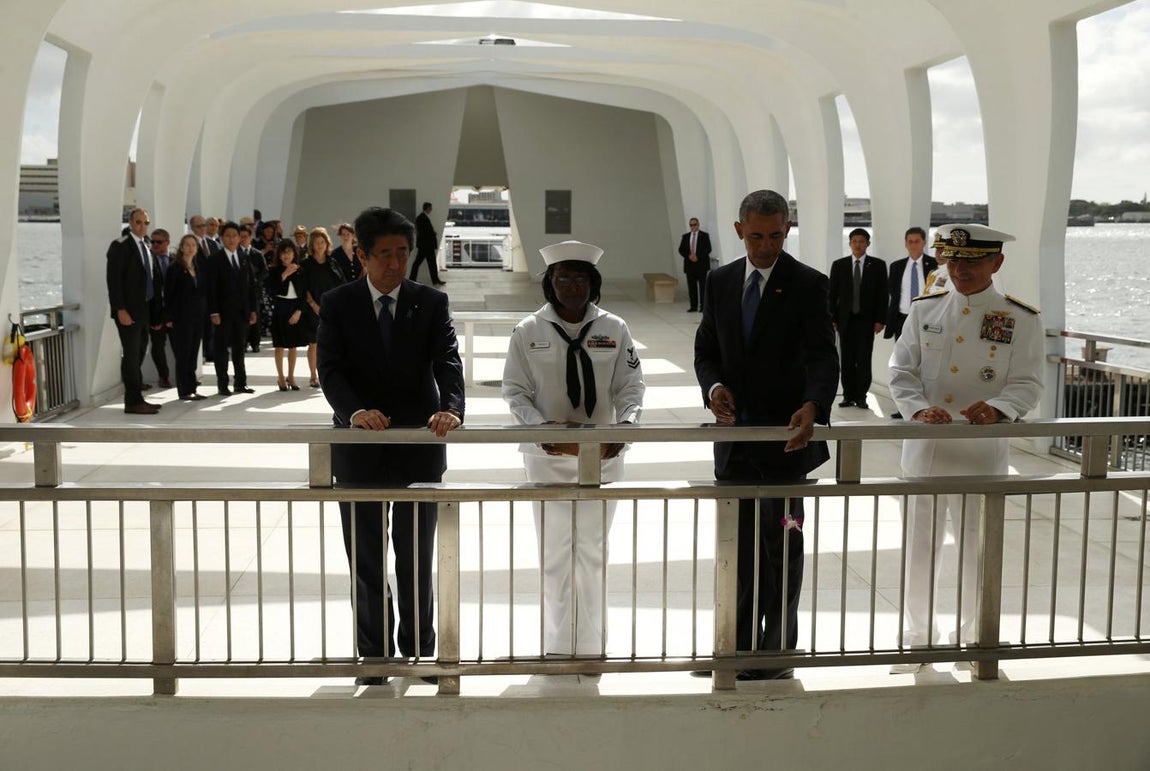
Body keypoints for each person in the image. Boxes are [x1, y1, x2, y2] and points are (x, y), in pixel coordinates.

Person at [693, 189, 838, 681]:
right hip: (734, 442)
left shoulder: (808, 284)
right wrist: (713, 388)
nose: (766, 245)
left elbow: (823, 356)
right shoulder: (719, 281)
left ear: (786, 229)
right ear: (739, 231)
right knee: (735, 548)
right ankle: (730, 650)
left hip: (787, 443)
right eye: (756, 236)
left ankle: (775, 655)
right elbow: (706, 350)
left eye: (775, 235)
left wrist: (815, 406)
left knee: (781, 550)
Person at [317, 206, 464, 686]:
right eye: (385, 254)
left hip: (417, 447)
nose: (396, 264)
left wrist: (452, 408)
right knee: (365, 558)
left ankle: (420, 651)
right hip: (360, 449)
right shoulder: (338, 303)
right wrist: (352, 412)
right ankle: (375, 656)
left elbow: (447, 360)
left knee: (416, 555)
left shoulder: (430, 302)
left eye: (403, 253)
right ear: (361, 255)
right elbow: (331, 369)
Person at [887, 224, 1043, 674]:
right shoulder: (925, 310)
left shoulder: (1020, 318)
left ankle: (976, 637)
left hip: (981, 452)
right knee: (919, 548)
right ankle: (917, 641)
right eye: (953, 262)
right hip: (927, 449)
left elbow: (1028, 382)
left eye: (971, 262)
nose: (961, 271)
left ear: (996, 263)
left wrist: (998, 408)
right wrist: (916, 410)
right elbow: (901, 370)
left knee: (980, 548)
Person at [502, 240, 645, 658]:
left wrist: (624, 430)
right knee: (554, 553)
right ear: (550, 282)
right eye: (563, 278)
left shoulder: (614, 329)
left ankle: (592, 644)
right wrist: (543, 431)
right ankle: (558, 645)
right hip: (546, 459)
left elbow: (631, 389)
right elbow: (515, 392)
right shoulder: (528, 330)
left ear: (593, 282)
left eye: (580, 278)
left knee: (593, 552)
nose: (571, 286)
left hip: (601, 457)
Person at [107, 208, 164, 414]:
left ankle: (136, 395)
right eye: (138, 222)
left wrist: (156, 314)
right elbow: (113, 281)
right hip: (128, 311)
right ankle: (132, 401)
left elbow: (154, 281)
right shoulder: (120, 246)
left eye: (146, 222)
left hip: (145, 309)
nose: (142, 226)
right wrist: (120, 309)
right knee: (131, 354)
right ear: (131, 222)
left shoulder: (147, 246)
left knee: (140, 351)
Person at [828, 228, 887, 408]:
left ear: (868, 244)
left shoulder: (877, 265)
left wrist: (880, 320)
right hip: (845, 321)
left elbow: (883, 295)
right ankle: (847, 395)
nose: (858, 245)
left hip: (867, 321)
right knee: (846, 359)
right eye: (854, 241)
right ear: (850, 243)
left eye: (861, 241)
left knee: (863, 359)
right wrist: (832, 318)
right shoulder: (839, 265)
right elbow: (832, 295)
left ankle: (861, 396)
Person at [884, 227, 938, 418]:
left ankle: (926, 405)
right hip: (902, 319)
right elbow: (892, 294)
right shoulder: (897, 266)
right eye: (910, 241)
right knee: (903, 363)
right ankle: (905, 406)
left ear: (924, 242)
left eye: (917, 241)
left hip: (928, 321)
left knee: (926, 362)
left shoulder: (934, 265)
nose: (913, 245)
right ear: (906, 244)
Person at [206, 221, 257, 396]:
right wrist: (213, 311)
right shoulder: (214, 260)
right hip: (222, 313)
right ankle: (222, 384)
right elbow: (211, 288)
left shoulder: (244, 257)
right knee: (221, 349)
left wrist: (253, 309)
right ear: (221, 238)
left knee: (239, 348)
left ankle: (240, 383)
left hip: (241, 312)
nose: (232, 239)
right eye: (227, 236)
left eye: (235, 236)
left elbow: (251, 285)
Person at [164, 234, 208, 401]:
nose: (190, 248)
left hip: (197, 317)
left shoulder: (197, 267)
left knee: (193, 353)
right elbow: (168, 294)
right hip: (181, 318)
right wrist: (168, 316)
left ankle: (192, 387)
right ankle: (184, 390)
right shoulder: (174, 268)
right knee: (183, 354)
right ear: (181, 247)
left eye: (193, 245)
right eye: (187, 245)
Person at [301, 227, 345, 388]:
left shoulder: (332, 263)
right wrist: (313, 304)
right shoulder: (306, 264)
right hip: (313, 309)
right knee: (314, 343)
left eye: (322, 242)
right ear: (311, 245)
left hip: (331, 309)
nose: (319, 246)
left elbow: (341, 285)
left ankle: (331, 375)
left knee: (333, 343)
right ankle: (313, 376)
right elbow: (303, 288)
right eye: (316, 243)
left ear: (327, 244)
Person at [264, 239, 307, 391]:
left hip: (295, 307)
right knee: (280, 345)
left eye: (289, 251)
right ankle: (281, 377)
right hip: (280, 307)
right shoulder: (274, 270)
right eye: (283, 252)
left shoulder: (301, 270)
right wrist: (285, 274)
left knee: (293, 345)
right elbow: (272, 290)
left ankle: (291, 376)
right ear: (279, 255)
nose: (286, 255)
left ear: (294, 253)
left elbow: (304, 294)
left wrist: (299, 311)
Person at [149, 228, 174, 389]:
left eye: (159, 242)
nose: (155, 245)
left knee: (181, 345)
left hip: (174, 311)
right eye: (152, 242)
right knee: (158, 345)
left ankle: (186, 375)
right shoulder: (148, 260)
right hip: (157, 312)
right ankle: (163, 376)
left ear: (167, 243)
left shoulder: (176, 260)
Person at [240, 223, 268, 354]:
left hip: (255, 291)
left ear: (250, 237)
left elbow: (264, 271)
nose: (243, 239)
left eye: (246, 236)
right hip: (241, 292)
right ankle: (243, 342)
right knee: (243, 318)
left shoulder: (257, 254)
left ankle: (255, 343)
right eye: (241, 237)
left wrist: (256, 280)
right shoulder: (237, 253)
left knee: (255, 316)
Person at [678, 217, 712, 313]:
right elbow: (681, 249)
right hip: (690, 266)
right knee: (692, 287)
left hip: (701, 265)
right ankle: (693, 306)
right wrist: (689, 256)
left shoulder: (704, 236)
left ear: (698, 225)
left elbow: (708, 249)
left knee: (702, 287)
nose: (693, 227)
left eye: (694, 225)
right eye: (691, 225)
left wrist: (698, 256)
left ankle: (703, 307)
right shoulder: (686, 237)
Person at [410, 201, 444, 286]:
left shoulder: (421, 217)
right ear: (428, 208)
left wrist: (432, 233)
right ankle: (435, 280)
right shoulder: (422, 218)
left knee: (419, 263)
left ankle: (412, 279)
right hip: (427, 245)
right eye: (430, 208)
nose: (431, 210)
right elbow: (424, 232)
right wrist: (433, 233)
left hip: (424, 245)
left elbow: (423, 231)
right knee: (431, 264)